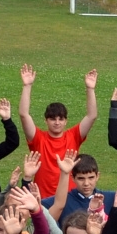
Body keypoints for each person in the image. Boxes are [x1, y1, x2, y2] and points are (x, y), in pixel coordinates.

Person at [19, 65, 99, 200]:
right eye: (52, 119)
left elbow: (91, 116)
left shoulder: (73, 136)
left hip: (69, 199)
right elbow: (24, 115)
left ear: (66, 121)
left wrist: (90, 89)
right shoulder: (38, 138)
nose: (57, 122)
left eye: (60, 119)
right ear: (46, 120)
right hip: (42, 199)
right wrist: (27, 86)